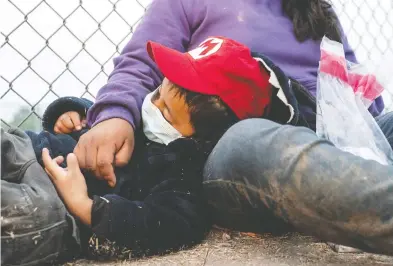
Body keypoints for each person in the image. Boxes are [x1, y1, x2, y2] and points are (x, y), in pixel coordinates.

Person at [73, 0, 393, 256]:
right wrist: (114, 114)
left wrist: (367, 125)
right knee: (260, 141)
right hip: (244, 145)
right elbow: (140, 62)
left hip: (338, 134)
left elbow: (359, 89)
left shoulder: (316, 11)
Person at [2, 36, 305, 265]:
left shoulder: (185, 176)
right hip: (28, 148)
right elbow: (98, 118)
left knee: (17, 216)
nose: (153, 105)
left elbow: (167, 223)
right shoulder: (139, 121)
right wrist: (74, 116)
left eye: (168, 112)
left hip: (57, 207)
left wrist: (84, 205)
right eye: (159, 91)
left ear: (203, 141)